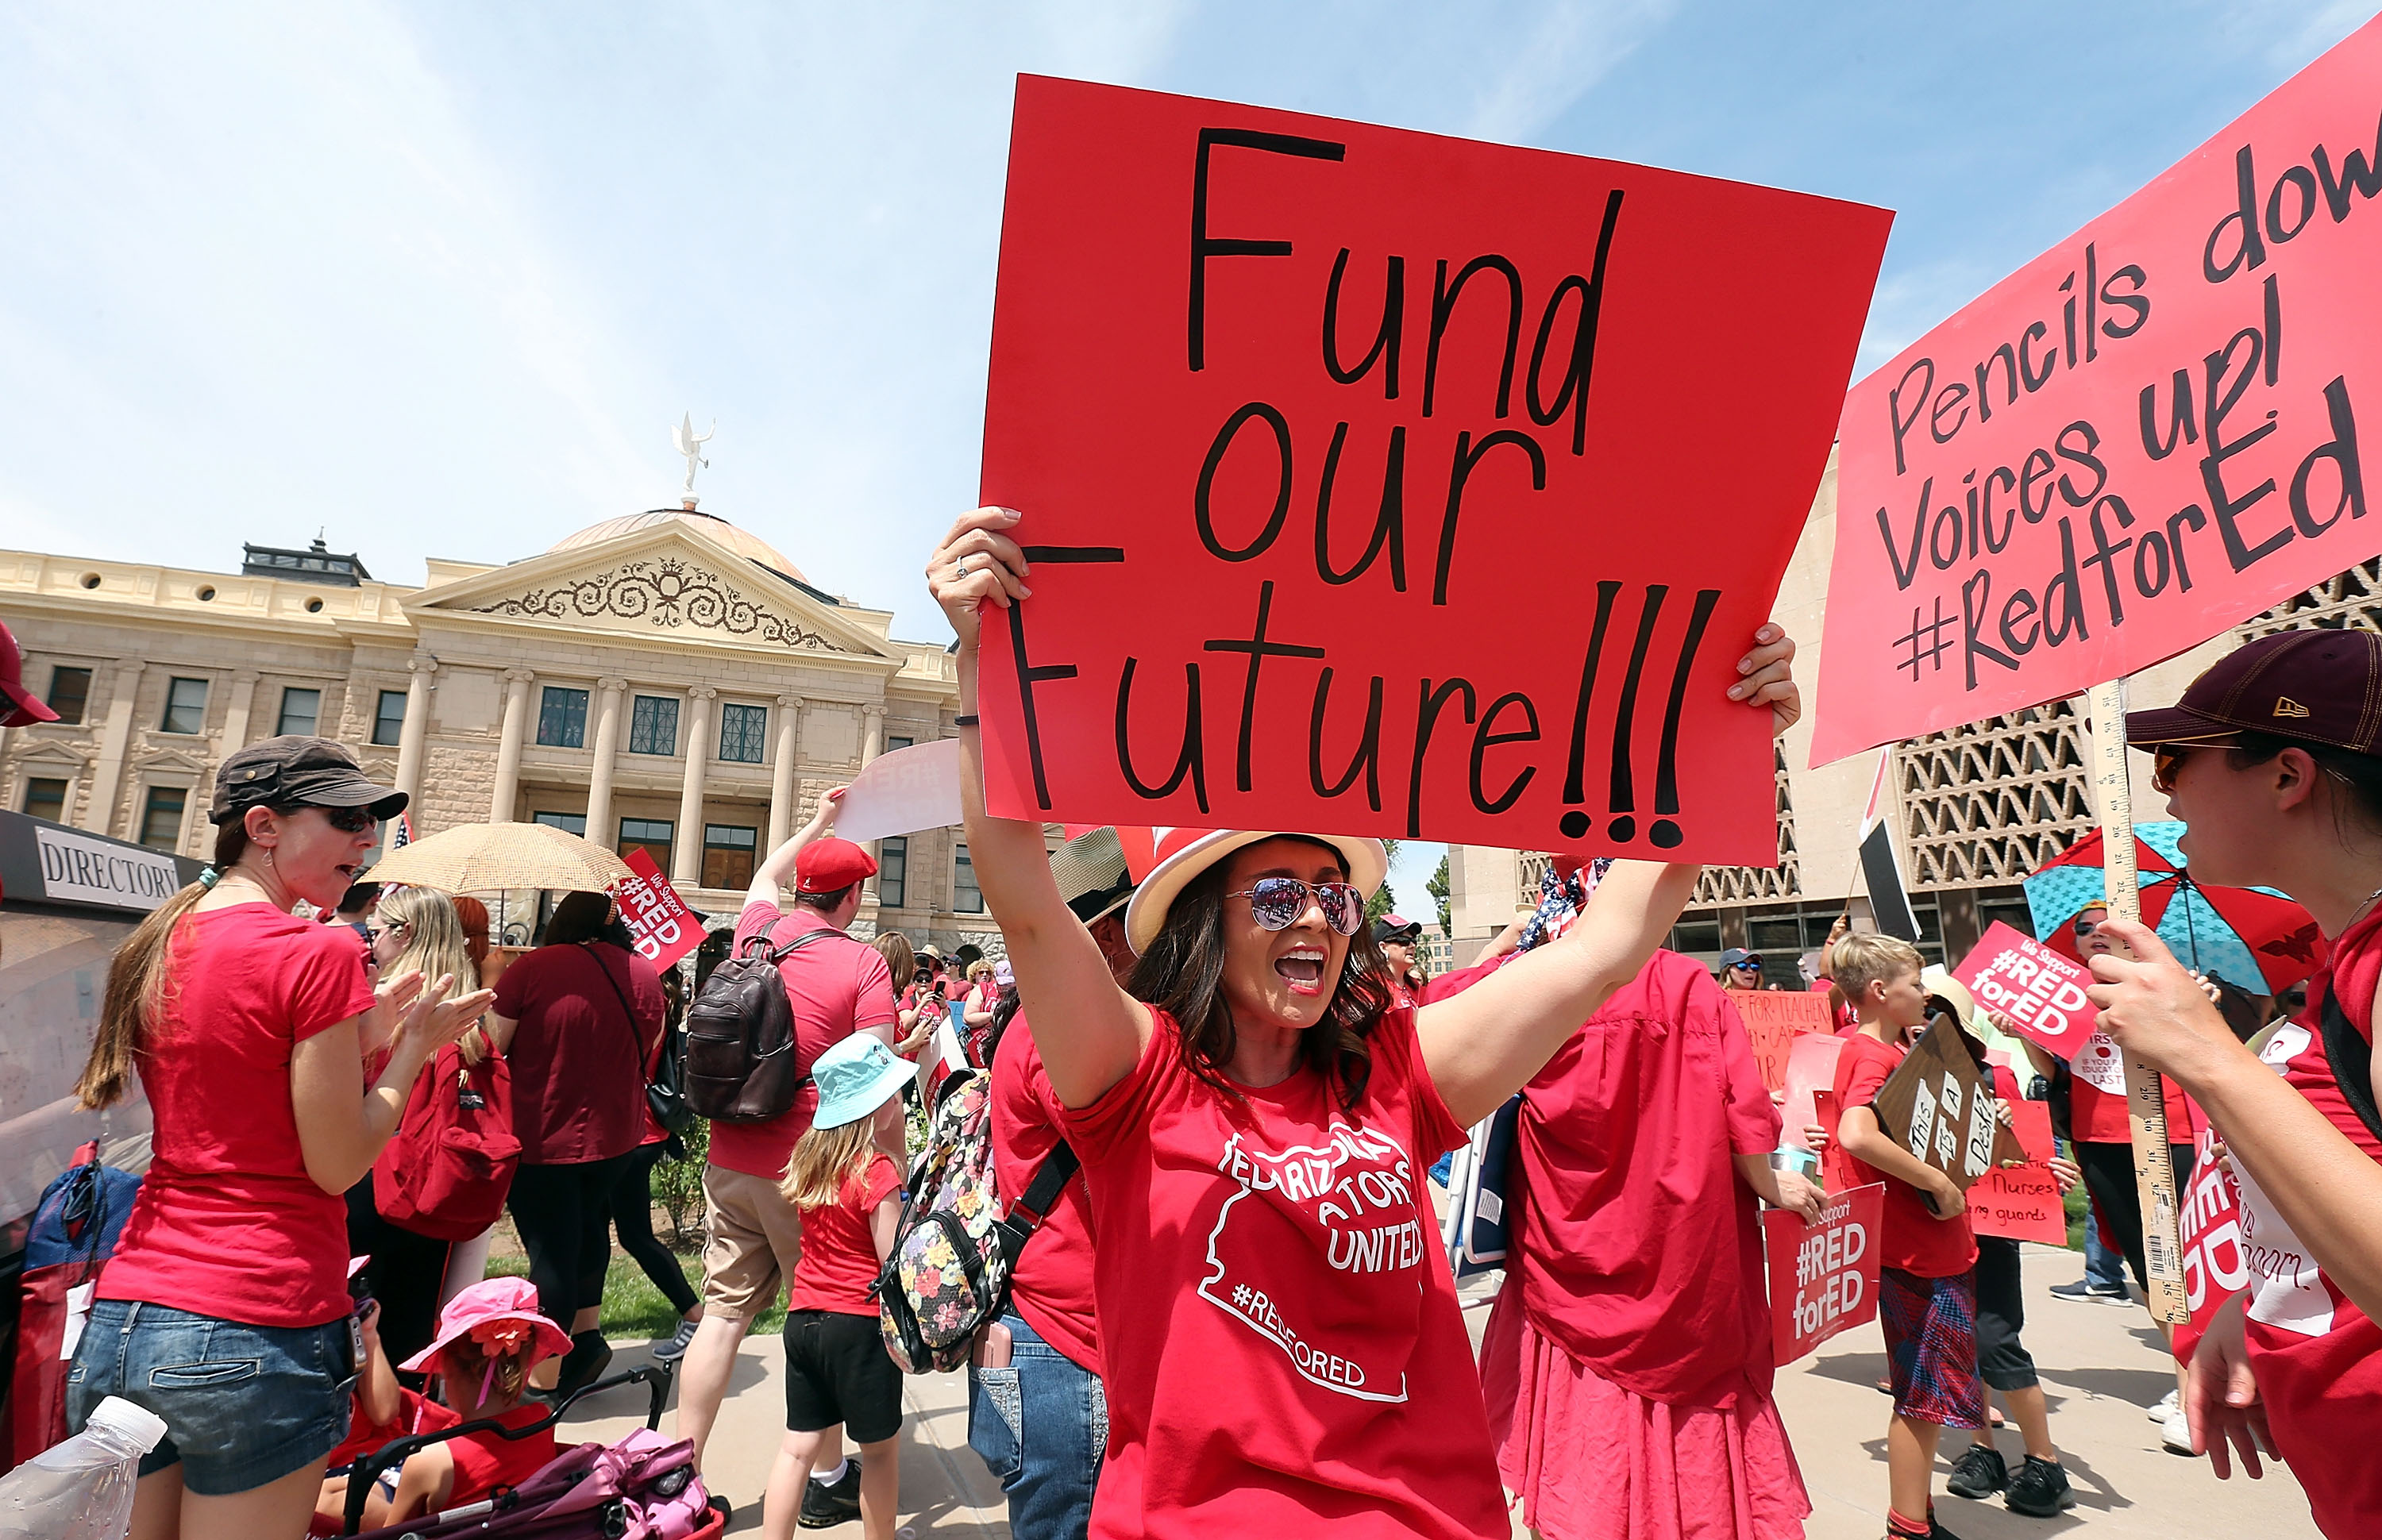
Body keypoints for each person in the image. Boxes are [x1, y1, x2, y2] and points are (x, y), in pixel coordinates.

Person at [926, 504, 1798, 1536]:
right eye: (1276, 893)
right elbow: (1025, 899)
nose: (1317, 917)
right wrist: (981, 666)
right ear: (1205, 921)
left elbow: (1607, 947)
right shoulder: (1135, 1078)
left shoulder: (1398, 1074)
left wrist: (1726, 735)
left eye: (1335, 897)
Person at [66, 735, 489, 1540]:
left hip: (128, 1313)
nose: (367, 838)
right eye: (347, 818)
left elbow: (234, 1082)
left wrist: (370, 1034)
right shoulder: (318, 945)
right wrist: (410, 1050)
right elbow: (336, 1163)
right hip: (256, 1317)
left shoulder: (164, 937)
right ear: (264, 825)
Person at [2083, 629, 2382, 1538]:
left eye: (2177, 758)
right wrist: (2249, 1318)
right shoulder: (2348, 962)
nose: (2163, 789)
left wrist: (2206, 1054)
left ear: (2288, 775)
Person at [1454, 858, 1825, 1540]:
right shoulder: (1687, 985)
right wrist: (1784, 1182)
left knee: (1564, 1458)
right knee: (1692, 1463)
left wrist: (1504, 947)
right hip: (1683, 1273)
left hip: (1559, 1271)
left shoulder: (1521, 989)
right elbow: (1749, 1131)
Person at [675, 789, 897, 1531]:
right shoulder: (862, 964)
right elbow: (875, 1083)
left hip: (730, 1153)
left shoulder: (756, 933)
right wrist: (888, 1176)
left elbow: (762, 877)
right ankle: (828, 1476)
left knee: (723, 1315)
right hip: (812, 1173)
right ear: (855, 894)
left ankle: (676, 1472)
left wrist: (816, 824)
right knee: (822, 1318)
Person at [973, 826, 1135, 1539]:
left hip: (1054, 1340)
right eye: (1146, 927)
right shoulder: (1064, 1035)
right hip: (1068, 1354)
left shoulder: (1052, 1020)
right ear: (1103, 940)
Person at [1826, 931, 1979, 1540]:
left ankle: (1919, 1514)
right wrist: (1939, 1184)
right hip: (1917, 1250)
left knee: (1929, 1395)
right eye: (1916, 984)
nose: (1925, 994)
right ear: (1879, 991)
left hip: (1926, 1246)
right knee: (1923, 1396)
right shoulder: (1873, 1054)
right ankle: (1908, 1528)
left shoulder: (1891, 1048)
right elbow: (1857, 1134)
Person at [486, 890, 665, 1396]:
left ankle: (545, 1380)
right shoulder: (645, 974)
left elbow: (492, 1049)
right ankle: (586, 1336)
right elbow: (650, 1047)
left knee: (551, 1255)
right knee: (589, 1235)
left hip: (543, 1138)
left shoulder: (533, 969)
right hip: (617, 1138)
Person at [2040, 899, 2199, 1446]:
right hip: (2098, 1139)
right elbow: (2055, 1070)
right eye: (2083, 928)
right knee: (2145, 1261)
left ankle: (2198, 1384)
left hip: (2169, 1132)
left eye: (2106, 924)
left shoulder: (2165, 983)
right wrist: (2023, 1034)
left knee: (2186, 1259)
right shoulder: (2065, 996)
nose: (2094, 934)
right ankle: (2189, 1377)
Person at [761, 1034, 912, 1540]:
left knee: (797, 1448)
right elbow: (890, 1260)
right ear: (871, 1104)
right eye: (891, 1092)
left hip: (804, 1321)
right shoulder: (878, 1171)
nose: (899, 1100)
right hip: (860, 1328)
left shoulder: (810, 1161)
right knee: (880, 1452)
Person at [348, 885, 494, 1371]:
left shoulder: (384, 1005)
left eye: (376, 932)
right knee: (414, 1326)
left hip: (371, 1180)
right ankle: (405, 1433)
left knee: (353, 1320)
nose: (371, 944)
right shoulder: (469, 1006)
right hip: (440, 1185)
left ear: (403, 933)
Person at [355, 1278, 569, 1528]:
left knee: (327, 1505)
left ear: (455, 1369)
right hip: (509, 1526)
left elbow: (392, 1534)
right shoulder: (541, 1419)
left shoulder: (431, 1461)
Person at [1372, 915, 1426, 1007]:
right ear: (1383, 947)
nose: (1412, 946)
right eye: (1404, 940)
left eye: (1414, 941)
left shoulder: (1417, 988)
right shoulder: (1370, 987)